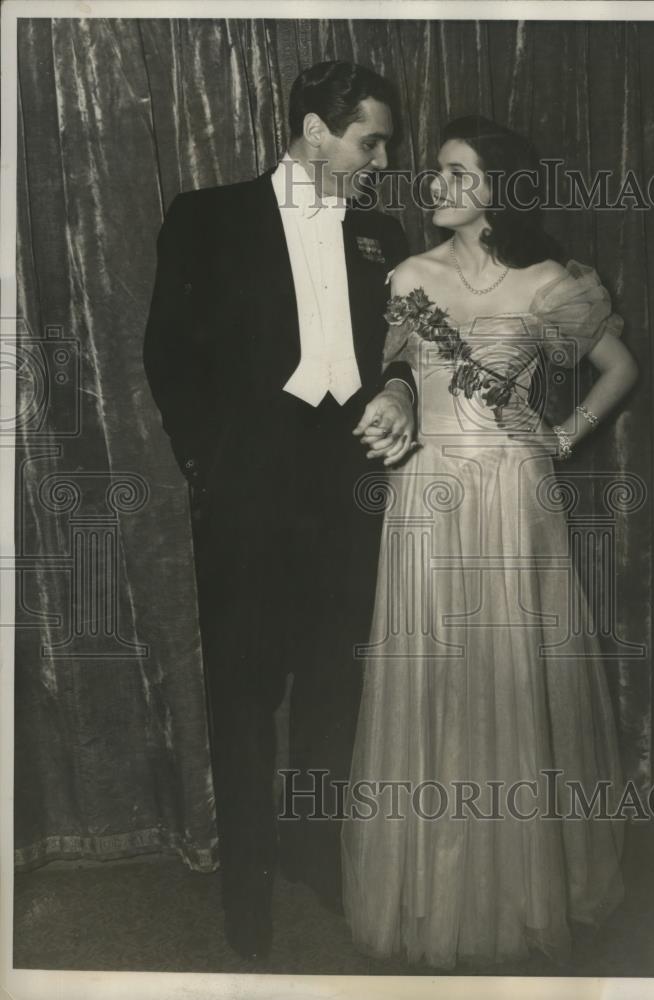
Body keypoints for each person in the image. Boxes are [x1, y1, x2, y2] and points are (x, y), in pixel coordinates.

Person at [342, 115, 639, 969]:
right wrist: (396, 404)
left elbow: (620, 369)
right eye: (436, 170)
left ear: (498, 189)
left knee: (510, 679)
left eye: (457, 173)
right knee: (432, 676)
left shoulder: (550, 282)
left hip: (514, 495)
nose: (436, 184)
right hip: (428, 493)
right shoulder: (408, 275)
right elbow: (397, 373)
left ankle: (517, 889)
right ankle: (429, 893)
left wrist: (565, 435)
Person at [143, 61, 417, 960]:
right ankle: (248, 891)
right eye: (368, 140)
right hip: (247, 494)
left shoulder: (381, 230)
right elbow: (167, 352)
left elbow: (404, 345)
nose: (381, 157)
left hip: (346, 493)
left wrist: (403, 387)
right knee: (245, 693)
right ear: (313, 130)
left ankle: (316, 855)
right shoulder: (207, 215)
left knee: (336, 685)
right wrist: (207, 466)